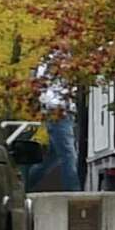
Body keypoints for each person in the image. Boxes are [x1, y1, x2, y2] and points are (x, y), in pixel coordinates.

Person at [27, 46, 81, 192]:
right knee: (68, 153)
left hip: (65, 110)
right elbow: (39, 85)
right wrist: (52, 104)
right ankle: (73, 192)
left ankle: (25, 184)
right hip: (57, 111)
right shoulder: (51, 60)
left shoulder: (72, 57)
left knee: (54, 155)